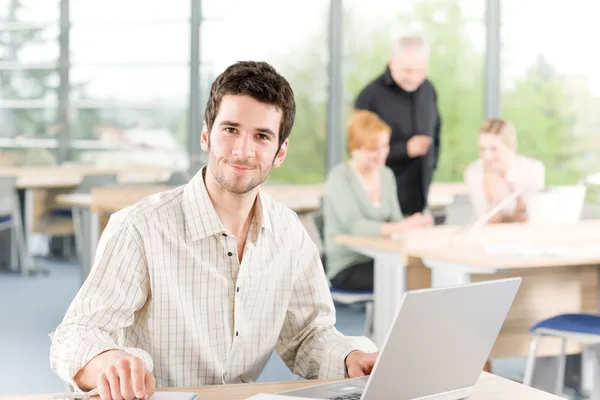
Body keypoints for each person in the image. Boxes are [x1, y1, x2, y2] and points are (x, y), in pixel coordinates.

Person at [49, 61, 378, 400]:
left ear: (280, 152)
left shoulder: (289, 233)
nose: (242, 150)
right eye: (230, 129)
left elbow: (308, 335)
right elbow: (77, 334)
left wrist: (350, 357)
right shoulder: (139, 227)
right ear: (207, 134)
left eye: (261, 136)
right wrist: (107, 362)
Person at [324, 110, 433, 291]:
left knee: (422, 271)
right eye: (372, 149)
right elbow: (355, 226)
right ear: (354, 148)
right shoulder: (339, 177)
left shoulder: (386, 175)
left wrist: (414, 225)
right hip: (349, 266)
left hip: (382, 257)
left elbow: (395, 220)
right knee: (402, 278)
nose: (381, 154)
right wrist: (400, 228)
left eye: (384, 146)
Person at [355, 34, 441, 217]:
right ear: (392, 62)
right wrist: (406, 149)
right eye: (408, 71)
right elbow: (358, 153)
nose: (414, 78)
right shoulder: (370, 97)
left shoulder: (429, 90)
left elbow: (437, 134)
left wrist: (432, 167)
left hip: (421, 203)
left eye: (420, 71)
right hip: (380, 207)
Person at [464, 119, 545, 223]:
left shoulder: (533, 169)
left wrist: (509, 181)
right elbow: (486, 220)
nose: (487, 156)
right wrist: (488, 185)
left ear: (511, 146)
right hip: (488, 235)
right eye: (482, 149)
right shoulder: (474, 172)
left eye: (493, 149)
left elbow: (530, 218)